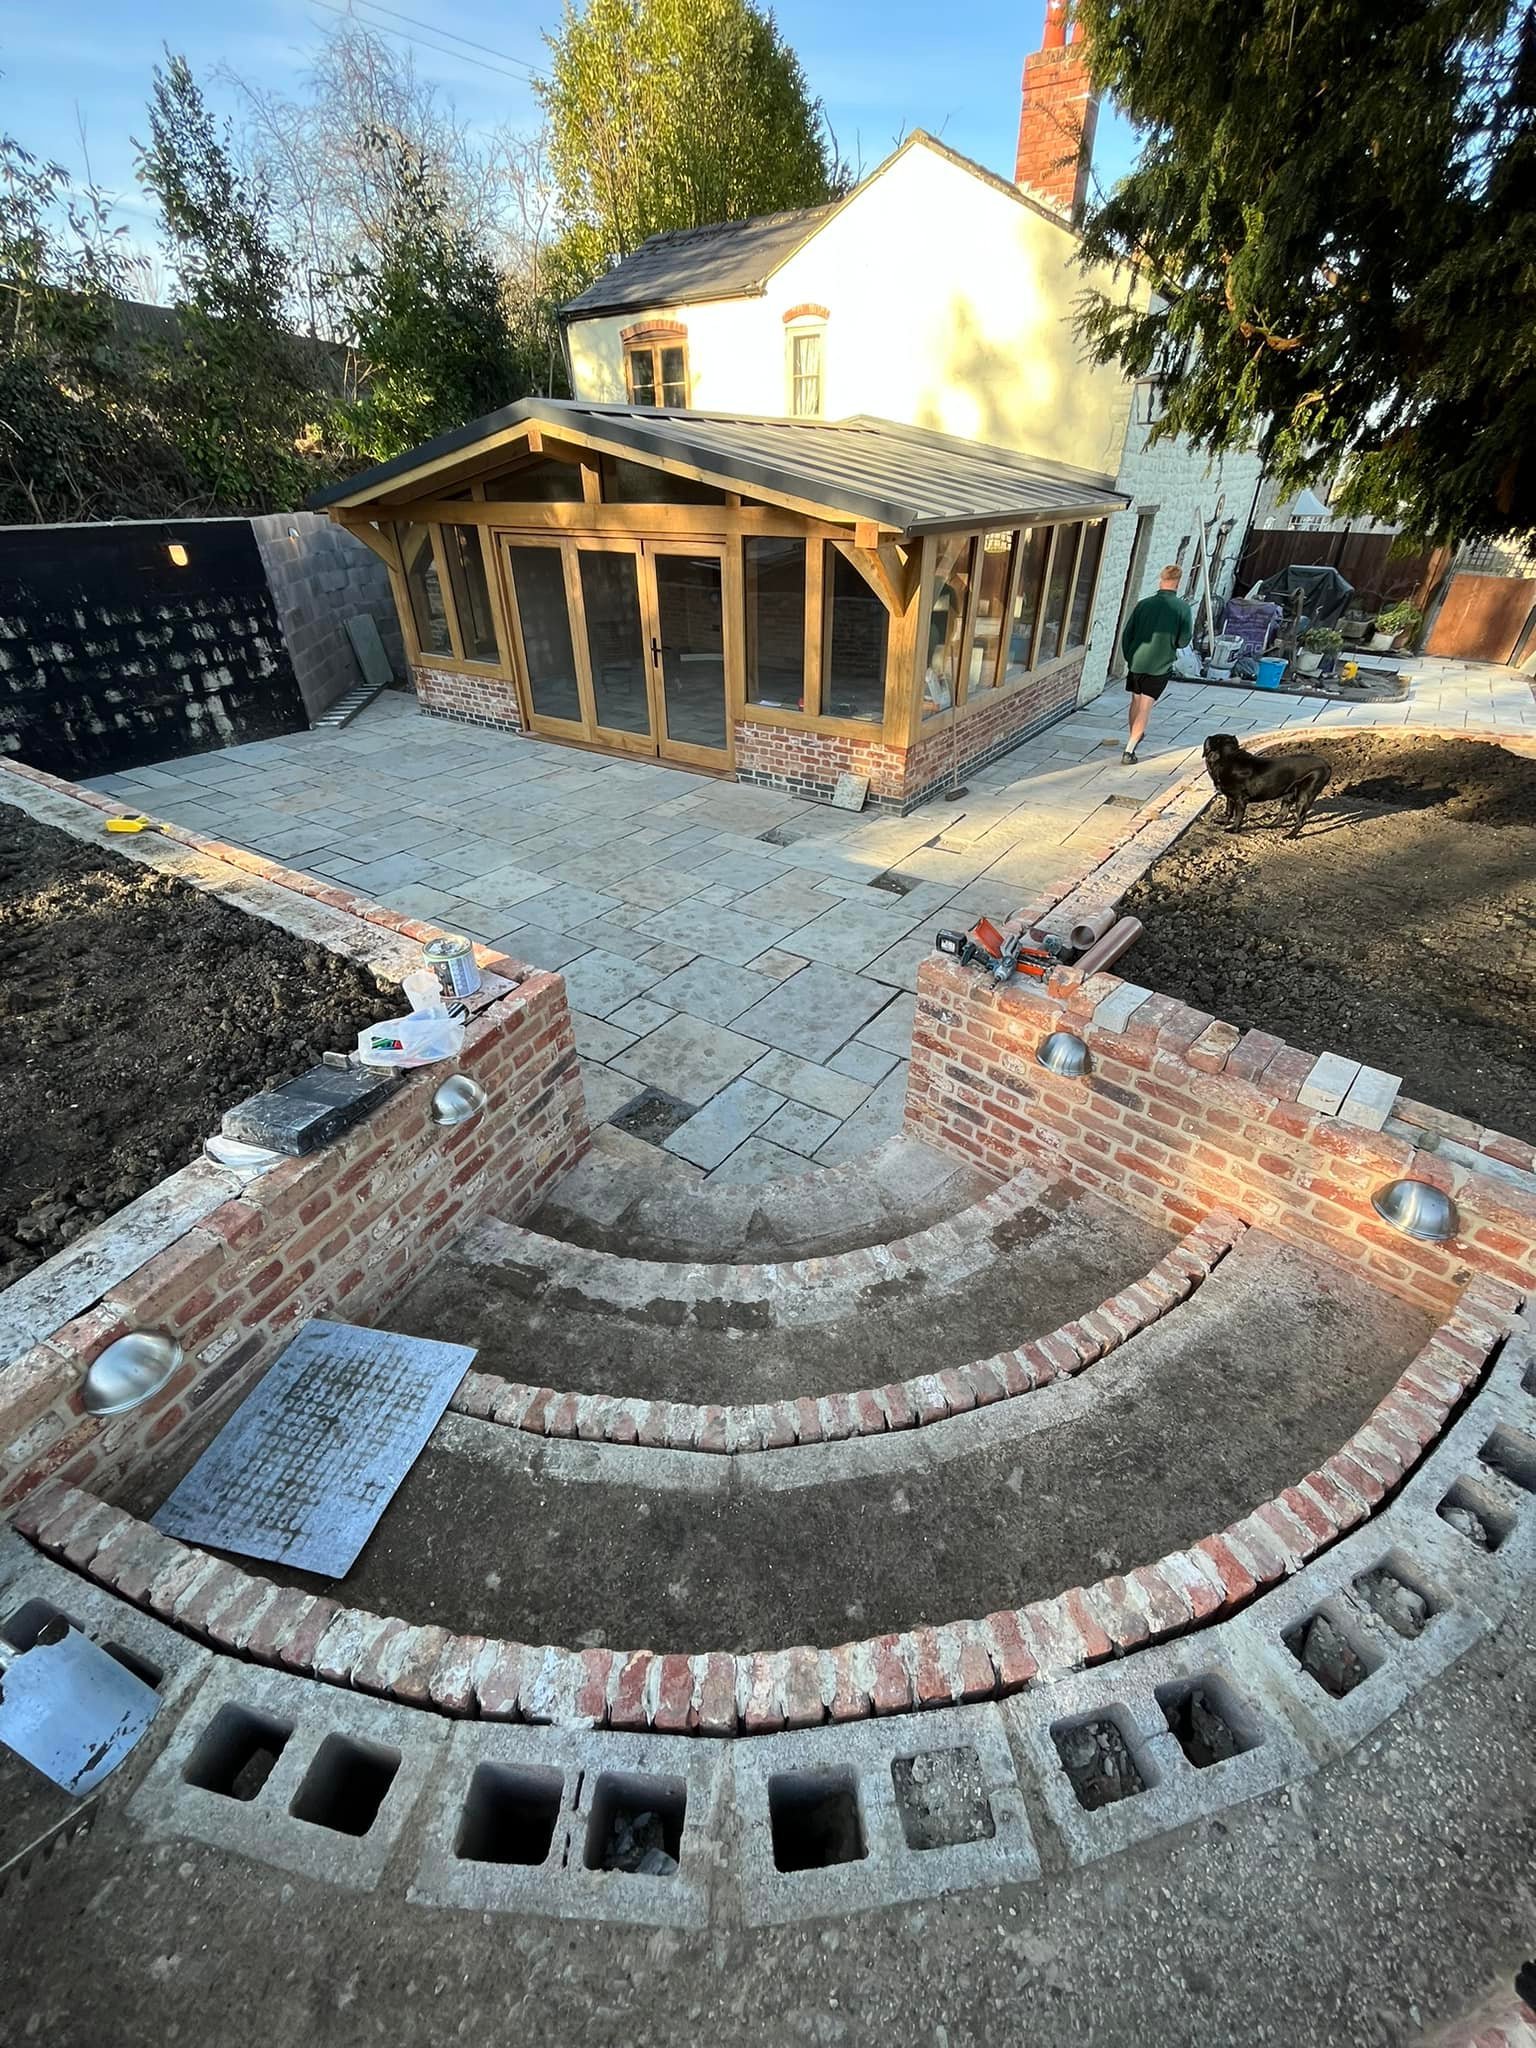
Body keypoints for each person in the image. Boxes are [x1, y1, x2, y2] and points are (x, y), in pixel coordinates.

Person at [1119, 563, 1193, 763]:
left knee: (1135, 700)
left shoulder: (1144, 604)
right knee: (1146, 705)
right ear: (1178, 582)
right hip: (1159, 665)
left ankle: (1133, 736)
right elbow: (1184, 640)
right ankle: (1129, 750)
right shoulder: (1182, 609)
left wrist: (1130, 656)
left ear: (1161, 579)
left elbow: (1127, 634)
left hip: (1137, 661)